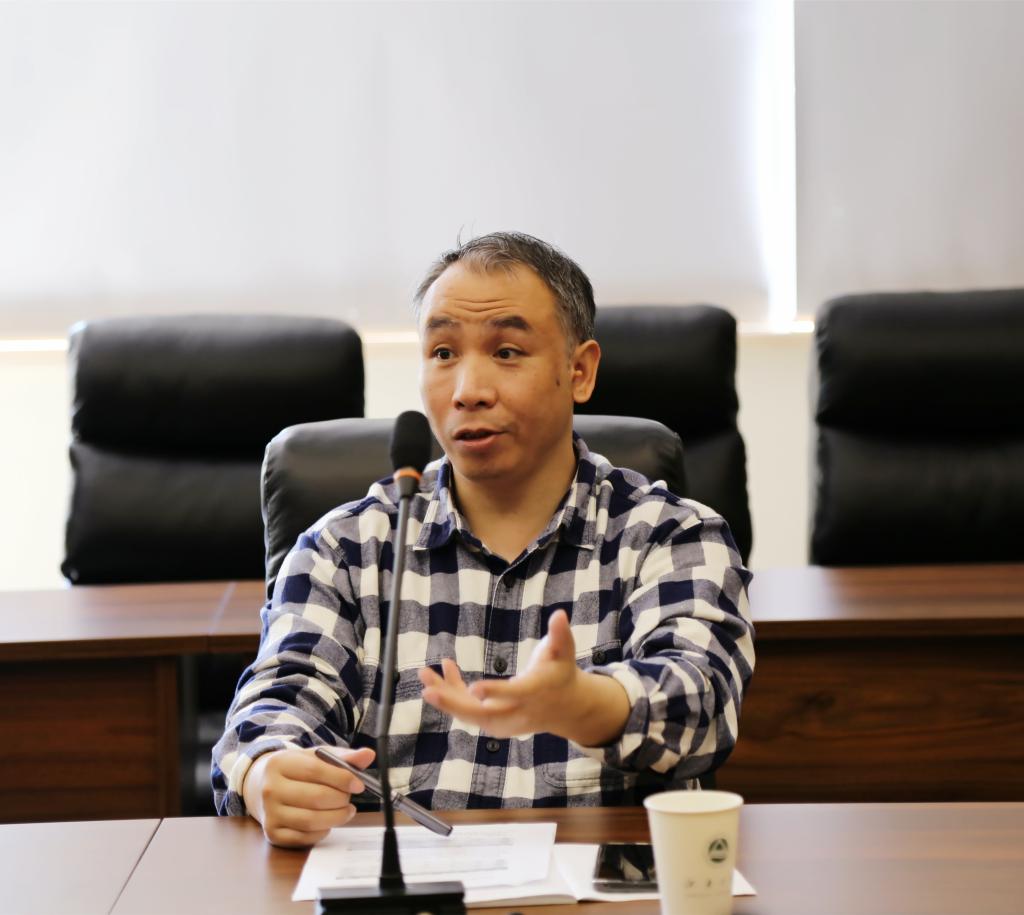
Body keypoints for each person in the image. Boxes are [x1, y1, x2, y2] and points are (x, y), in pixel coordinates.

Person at [212, 231, 755, 848]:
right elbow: (278, 700)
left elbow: (703, 708)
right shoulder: (345, 547)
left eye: (506, 351)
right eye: (443, 352)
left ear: (579, 371)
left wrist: (583, 702)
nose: (468, 389)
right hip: (404, 884)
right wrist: (267, 771)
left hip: (595, 883)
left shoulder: (671, 535)